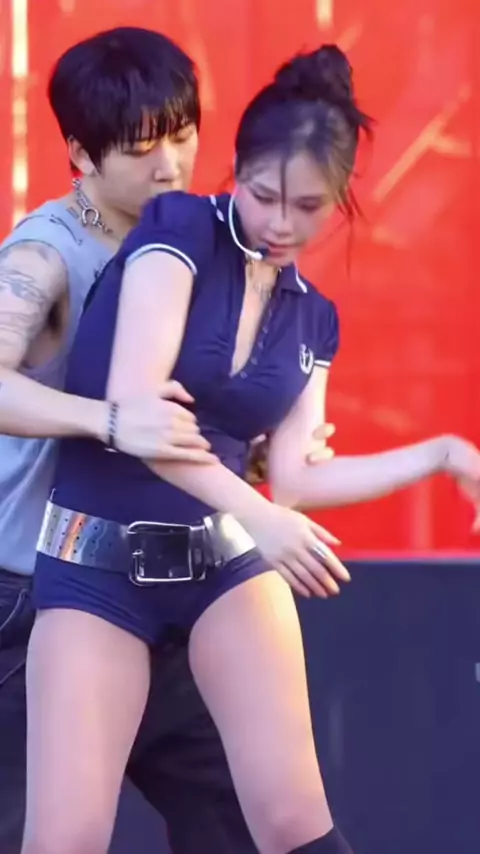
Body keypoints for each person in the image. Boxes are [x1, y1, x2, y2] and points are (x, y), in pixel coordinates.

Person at [24, 39, 480, 854]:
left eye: (308, 206)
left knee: (293, 821)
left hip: (223, 565)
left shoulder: (314, 317)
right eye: (265, 196)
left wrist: (443, 454)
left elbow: (298, 479)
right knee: (68, 837)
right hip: (96, 564)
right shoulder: (175, 229)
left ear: (338, 200)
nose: (280, 223)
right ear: (236, 171)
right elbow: (142, 413)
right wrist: (260, 515)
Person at [0, 26, 272, 854]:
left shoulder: (196, 238)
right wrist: (111, 419)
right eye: (141, 148)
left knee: (244, 819)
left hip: (164, 586)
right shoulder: (47, 253)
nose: (171, 165)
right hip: (31, 596)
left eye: (182, 136)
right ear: (80, 154)